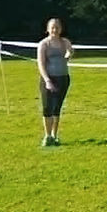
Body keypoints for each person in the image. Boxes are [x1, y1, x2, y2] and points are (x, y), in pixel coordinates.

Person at [36, 18, 73, 147]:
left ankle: (55, 136)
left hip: (63, 78)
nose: (55, 30)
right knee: (47, 108)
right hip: (48, 79)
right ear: (47, 29)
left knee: (57, 108)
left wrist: (69, 53)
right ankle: (47, 136)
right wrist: (47, 80)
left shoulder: (65, 42)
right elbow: (41, 64)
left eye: (57, 27)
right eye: (52, 27)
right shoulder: (43, 44)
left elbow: (70, 50)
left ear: (61, 29)